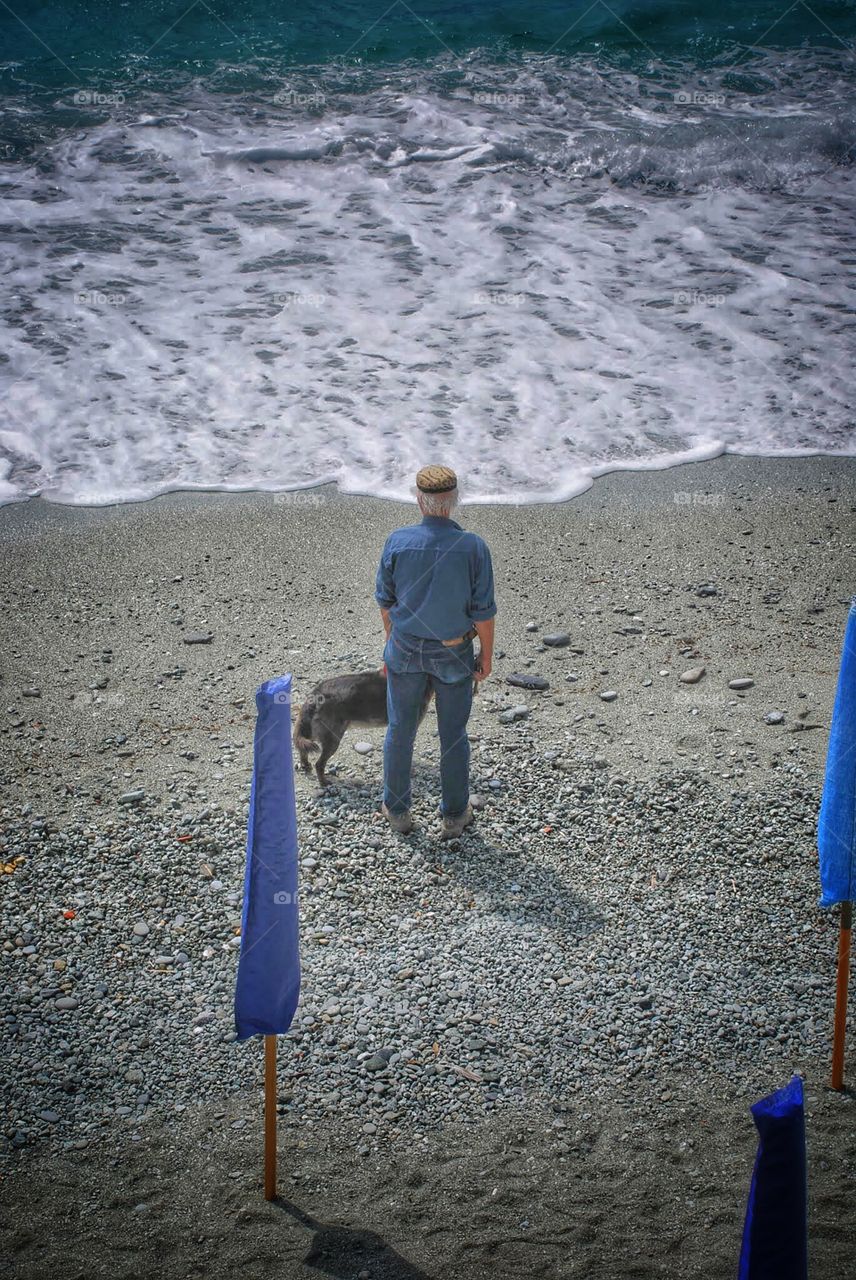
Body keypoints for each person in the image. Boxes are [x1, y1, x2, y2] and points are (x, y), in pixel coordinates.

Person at [374, 465, 496, 838]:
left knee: (400, 730)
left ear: (418, 499)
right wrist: (486, 657)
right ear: (455, 500)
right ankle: (455, 815)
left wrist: (392, 643)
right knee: (453, 735)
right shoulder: (473, 546)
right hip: (453, 651)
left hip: (406, 649)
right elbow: (484, 612)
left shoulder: (398, 541)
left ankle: (397, 811)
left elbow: (385, 601)